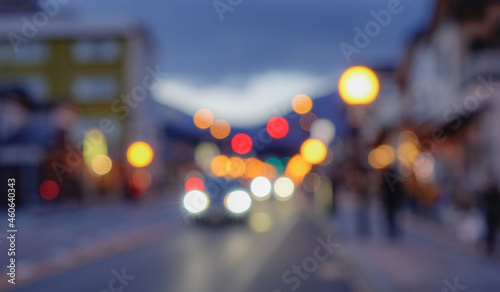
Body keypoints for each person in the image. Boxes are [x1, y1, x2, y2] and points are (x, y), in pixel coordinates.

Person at [382, 167, 405, 240]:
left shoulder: (387, 182)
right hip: (394, 202)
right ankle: (394, 231)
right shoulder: (396, 181)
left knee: (391, 218)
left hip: (390, 202)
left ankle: (392, 231)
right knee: (394, 217)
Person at [482, 181, 500, 254]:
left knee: (490, 232)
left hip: (491, 215)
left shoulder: (490, 195)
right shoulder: (496, 196)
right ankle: (490, 246)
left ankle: (490, 246)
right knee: (492, 232)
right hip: (494, 216)